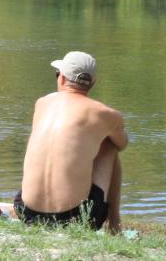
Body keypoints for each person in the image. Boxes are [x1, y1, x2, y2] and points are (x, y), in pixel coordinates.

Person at [14, 51, 127, 232]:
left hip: (26, 211)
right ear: (93, 83)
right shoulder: (106, 114)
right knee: (109, 144)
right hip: (77, 219)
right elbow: (122, 144)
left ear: (62, 78)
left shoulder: (42, 103)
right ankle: (114, 224)